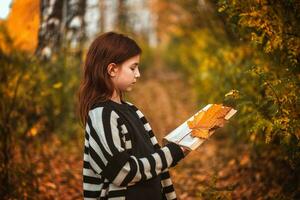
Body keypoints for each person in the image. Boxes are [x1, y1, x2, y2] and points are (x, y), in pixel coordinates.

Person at [78, 31, 190, 200]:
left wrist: (179, 148)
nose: (138, 74)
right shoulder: (102, 116)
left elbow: (151, 163)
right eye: (133, 67)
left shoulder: (132, 110)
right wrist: (171, 154)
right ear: (112, 69)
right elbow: (121, 171)